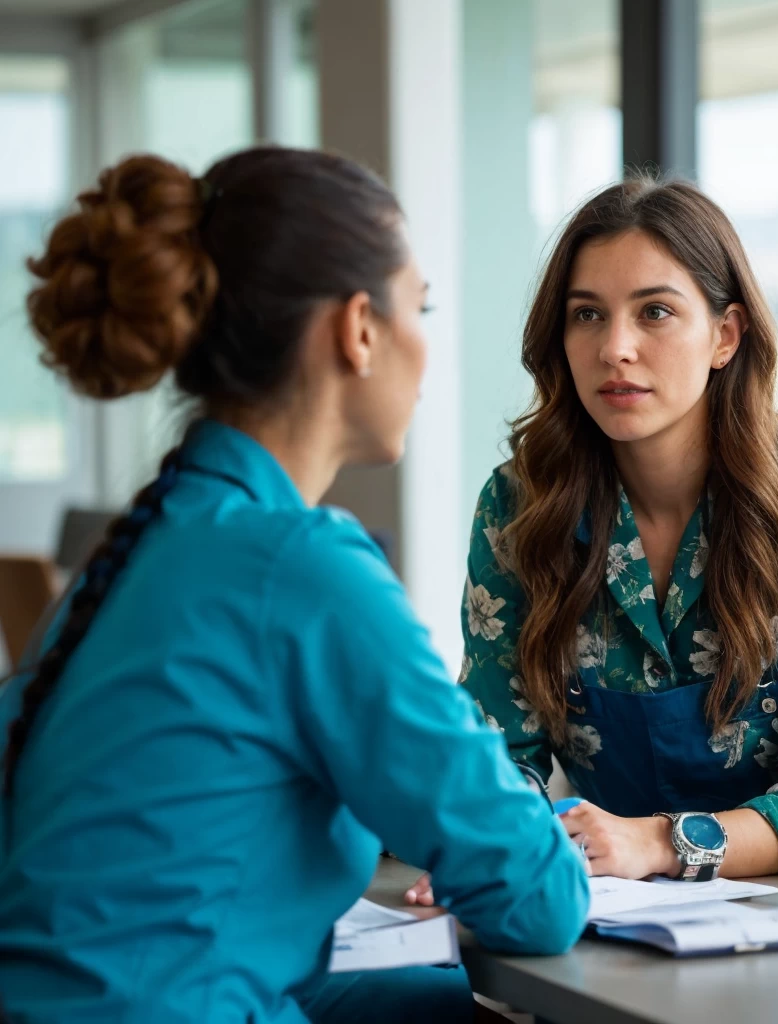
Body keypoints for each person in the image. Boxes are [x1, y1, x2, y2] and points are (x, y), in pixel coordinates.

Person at [0, 147, 588, 1023]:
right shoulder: (302, 565)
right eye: (418, 307)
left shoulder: (136, 555)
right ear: (358, 329)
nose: (426, 347)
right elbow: (537, 898)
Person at [458, 176, 778, 891]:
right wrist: (494, 855)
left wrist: (658, 842)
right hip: (635, 899)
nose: (616, 347)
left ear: (725, 335)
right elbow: (497, 758)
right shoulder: (521, 504)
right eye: (587, 315)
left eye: (655, 312)